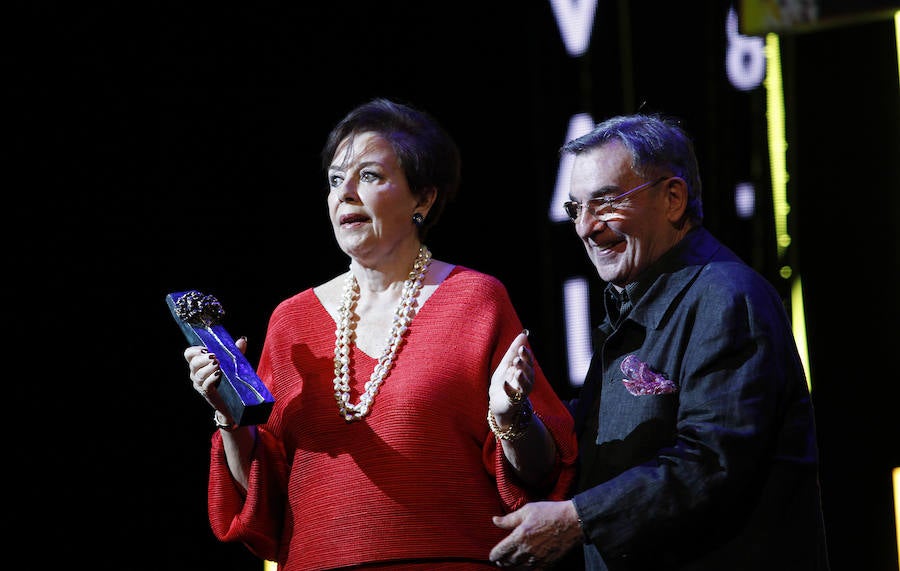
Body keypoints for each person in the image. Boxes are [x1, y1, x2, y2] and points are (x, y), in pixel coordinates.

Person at [182, 98, 578, 570]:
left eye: (368, 176)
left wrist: (512, 415)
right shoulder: (291, 322)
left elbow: (542, 476)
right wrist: (231, 419)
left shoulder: (476, 300)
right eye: (334, 180)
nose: (344, 194)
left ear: (423, 198)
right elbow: (261, 505)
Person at [489, 113, 829, 570]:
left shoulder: (726, 299)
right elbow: (597, 457)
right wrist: (518, 416)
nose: (586, 228)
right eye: (576, 208)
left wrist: (577, 519)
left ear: (673, 198)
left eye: (606, 202)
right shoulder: (632, 302)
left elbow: (710, 461)